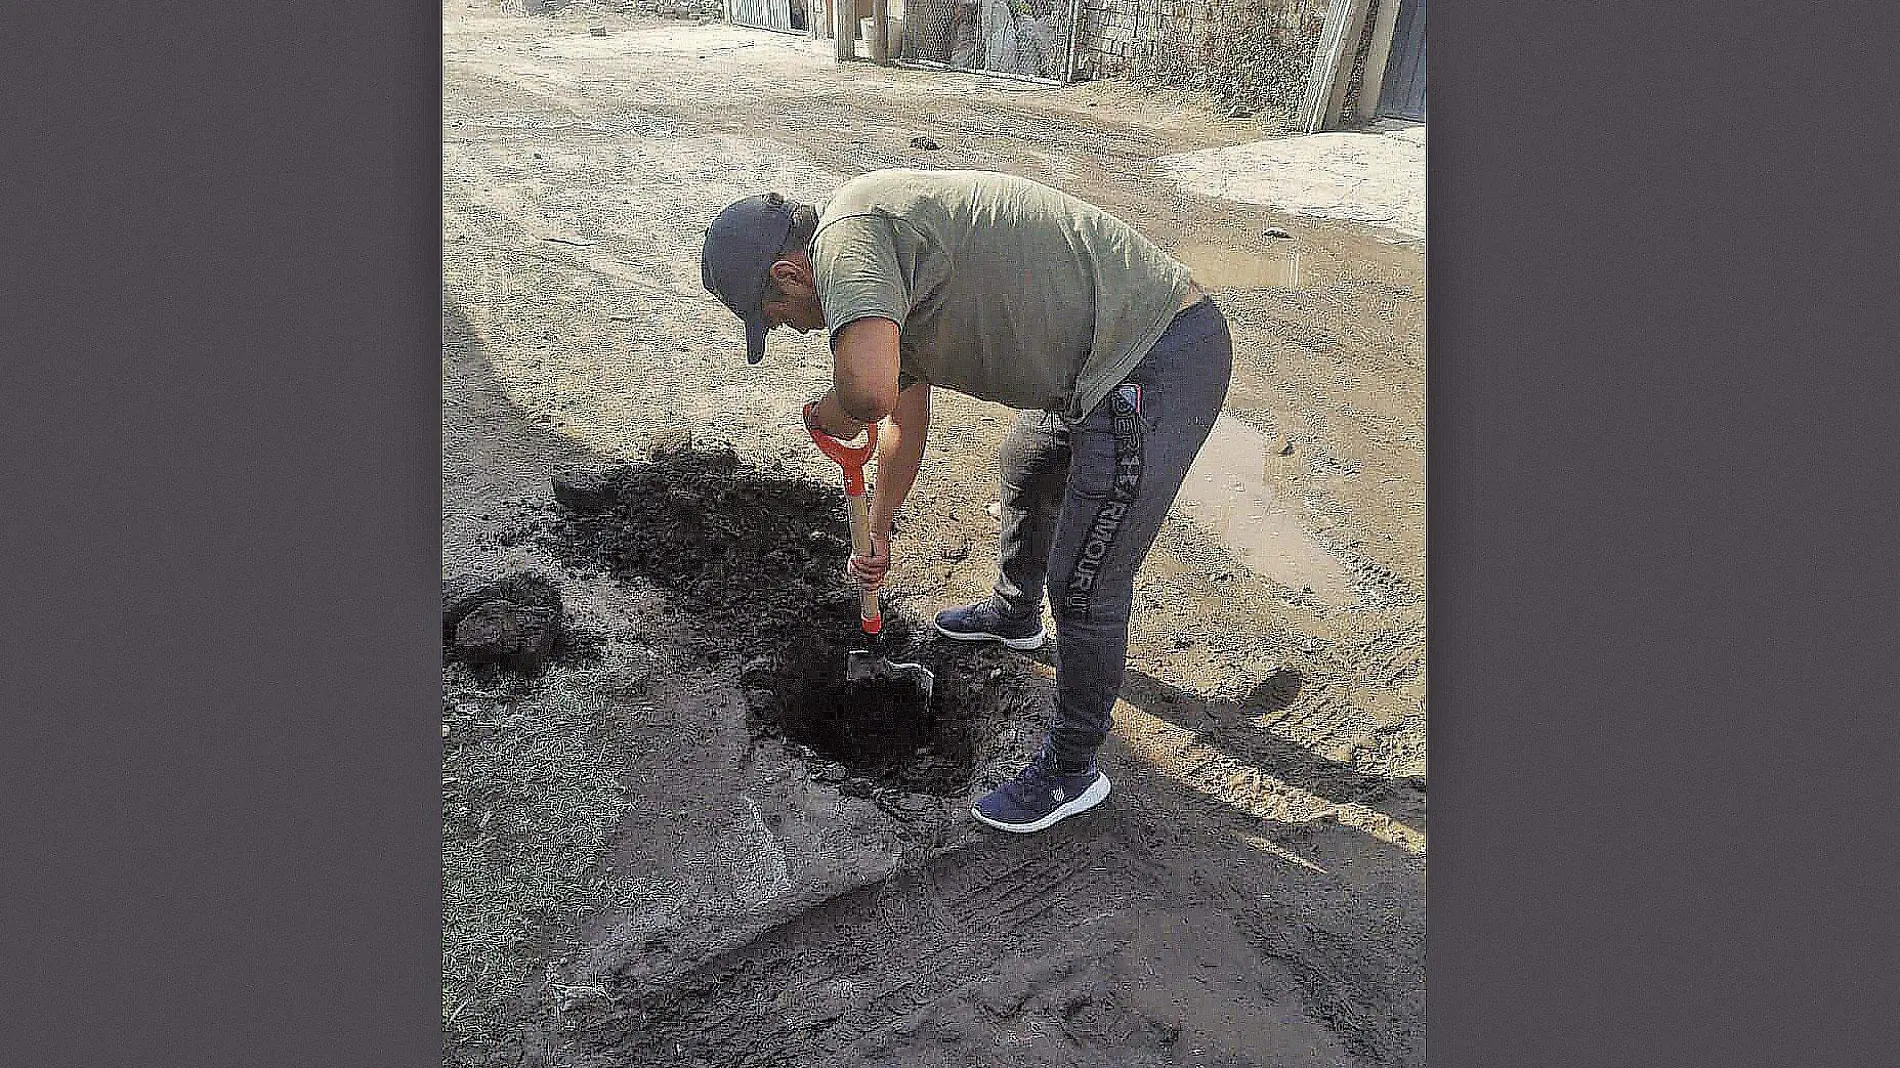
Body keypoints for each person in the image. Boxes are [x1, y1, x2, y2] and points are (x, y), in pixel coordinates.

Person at [700, 169, 1233, 834]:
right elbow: (901, 420)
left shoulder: (848, 241)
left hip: (1155, 355)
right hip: (1097, 365)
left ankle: (1072, 770)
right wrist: (881, 526)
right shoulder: (876, 279)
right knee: (1029, 464)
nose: (794, 332)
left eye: (774, 319)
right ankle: (1016, 614)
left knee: (1087, 583)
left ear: (787, 275)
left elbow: (866, 396)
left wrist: (828, 411)